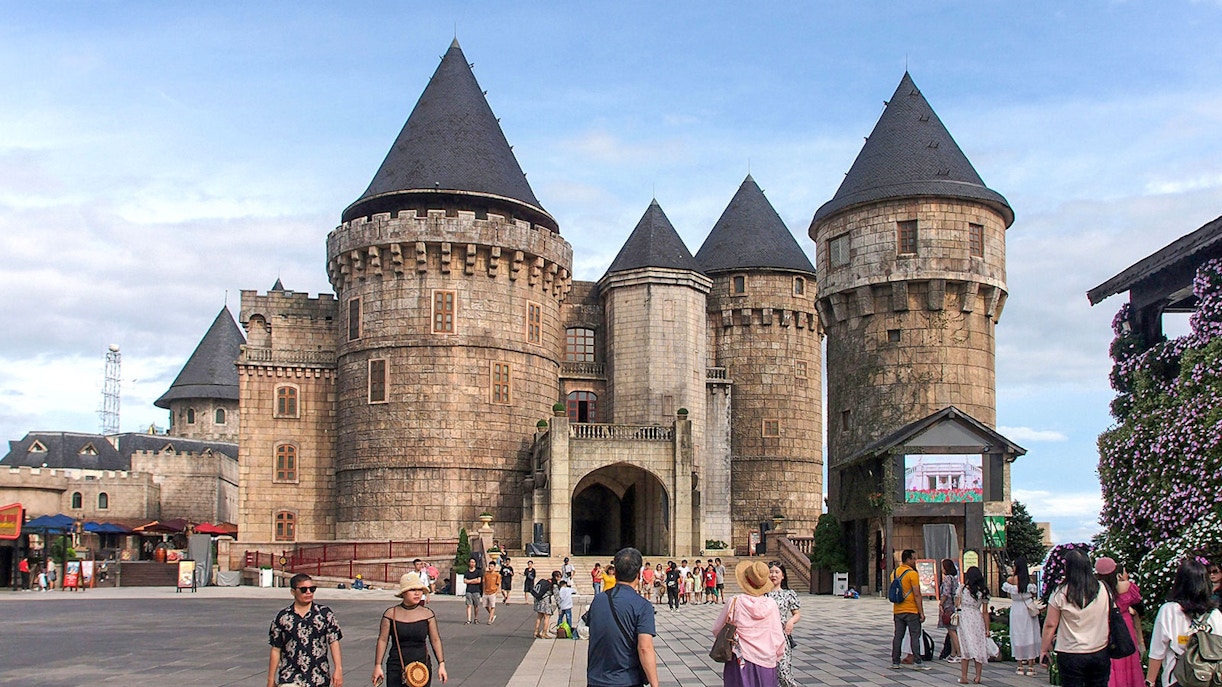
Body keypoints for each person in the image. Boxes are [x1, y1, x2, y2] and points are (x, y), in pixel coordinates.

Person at [586, 547, 659, 687]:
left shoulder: (598, 600)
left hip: (596, 679)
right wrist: (655, 684)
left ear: (616, 572)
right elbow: (645, 648)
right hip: (626, 680)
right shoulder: (643, 606)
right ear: (639, 574)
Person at [1146, 558, 1222, 687]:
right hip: (1208, 678)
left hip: (1177, 678)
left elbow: (1157, 651)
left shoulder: (1168, 611)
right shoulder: (1215, 614)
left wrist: (1150, 681)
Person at [1040, 549, 1111, 687]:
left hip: (1070, 652)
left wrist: (1044, 649)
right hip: (1099, 649)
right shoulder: (1103, 589)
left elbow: (1050, 624)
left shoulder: (1060, 592)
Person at [715, 560, 785, 687]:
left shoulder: (735, 602)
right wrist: (777, 656)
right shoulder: (771, 604)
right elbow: (778, 636)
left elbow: (717, 629)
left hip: (740, 658)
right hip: (766, 660)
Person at [267, 573, 344, 687]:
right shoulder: (283, 617)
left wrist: (338, 669)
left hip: (318, 677)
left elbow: (334, 642)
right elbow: (275, 648)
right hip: (290, 676)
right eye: (303, 589)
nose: (308, 592)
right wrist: (270, 679)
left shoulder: (324, 614)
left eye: (312, 589)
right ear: (293, 592)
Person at [372, 572, 447, 687]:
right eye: (412, 590)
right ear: (403, 593)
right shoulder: (391, 614)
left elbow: (435, 640)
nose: (417, 593)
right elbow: (382, 640)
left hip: (421, 667)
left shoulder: (427, 614)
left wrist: (441, 664)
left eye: (419, 589)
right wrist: (378, 665)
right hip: (396, 665)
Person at [1095, 557, 1141, 687]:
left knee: (1110, 660)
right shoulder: (1127, 586)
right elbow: (1137, 600)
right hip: (1124, 625)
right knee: (1127, 655)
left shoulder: (1098, 589)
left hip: (1104, 626)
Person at [890, 549, 930, 671]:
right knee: (915, 636)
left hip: (898, 609)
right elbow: (917, 594)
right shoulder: (912, 574)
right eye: (914, 558)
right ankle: (918, 661)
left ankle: (895, 661)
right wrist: (921, 612)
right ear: (908, 559)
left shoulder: (895, 572)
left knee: (898, 636)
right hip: (911, 610)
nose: (915, 561)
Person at [1003, 556, 1042, 676]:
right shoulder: (1029, 581)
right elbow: (1033, 594)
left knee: (1017, 635)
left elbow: (1009, 593)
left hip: (1016, 609)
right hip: (1028, 609)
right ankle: (1031, 666)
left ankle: (1019, 666)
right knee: (1031, 635)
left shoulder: (1010, 580)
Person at [766, 562, 802, 687]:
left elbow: (796, 614)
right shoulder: (763, 595)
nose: (773, 575)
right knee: (767, 673)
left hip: (781, 637)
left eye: (777, 572)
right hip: (764, 636)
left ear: (783, 576)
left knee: (783, 671)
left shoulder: (788, 594)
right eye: (771, 572)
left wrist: (790, 622)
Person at [956, 566, 991, 685]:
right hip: (977, 617)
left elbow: (957, 604)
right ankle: (978, 676)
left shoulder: (962, 589)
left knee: (965, 646)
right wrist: (987, 629)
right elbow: (985, 612)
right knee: (978, 645)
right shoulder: (983, 591)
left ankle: (964, 676)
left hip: (965, 618)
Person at [939, 558, 962, 663]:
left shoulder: (947, 578)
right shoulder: (954, 578)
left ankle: (959, 653)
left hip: (948, 606)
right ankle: (953, 653)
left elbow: (946, 592)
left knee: (952, 631)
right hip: (954, 606)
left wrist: (941, 604)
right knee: (952, 630)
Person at [532, 570, 562, 639]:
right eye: (559, 577)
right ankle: (544, 633)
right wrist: (559, 606)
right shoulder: (554, 585)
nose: (559, 579)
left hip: (539, 600)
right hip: (546, 602)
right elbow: (557, 596)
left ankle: (536, 632)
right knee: (547, 617)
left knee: (539, 616)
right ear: (556, 577)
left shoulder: (548, 581)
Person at [462, 558, 483, 624]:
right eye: (471, 562)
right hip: (469, 590)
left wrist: (470, 581)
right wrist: (473, 580)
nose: (472, 563)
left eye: (473, 562)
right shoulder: (467, 572)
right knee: (469, 605)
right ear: (469, 563)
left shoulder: (478, 572)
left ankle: (476, 618)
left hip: (476, 590)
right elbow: (465, 581)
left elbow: (479, 581)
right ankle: (469, 619)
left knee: (476, 605)